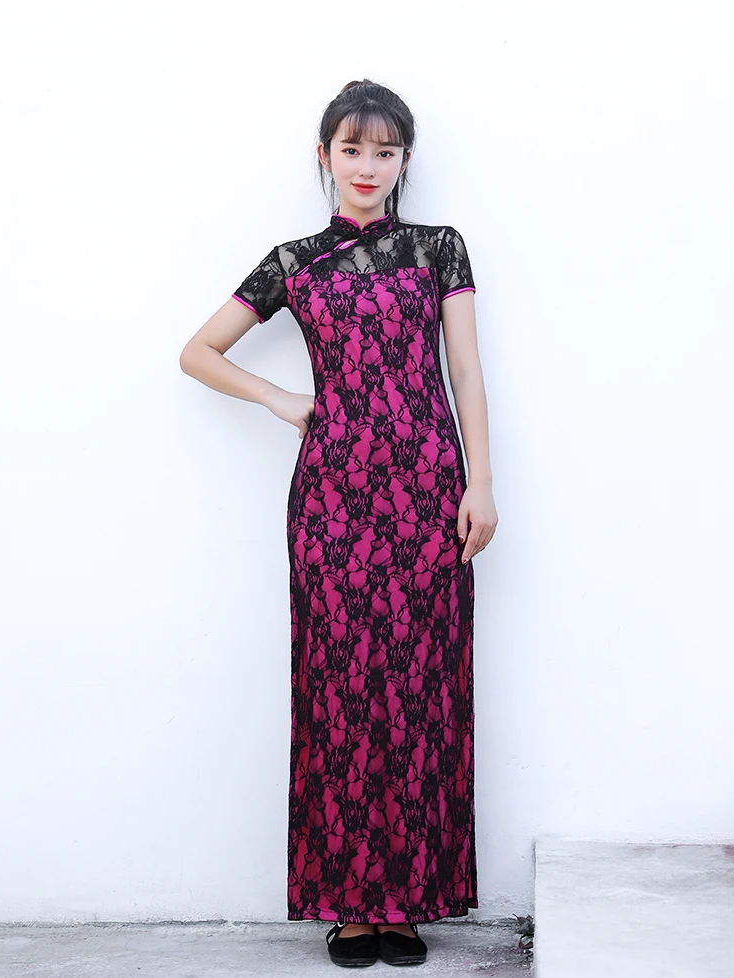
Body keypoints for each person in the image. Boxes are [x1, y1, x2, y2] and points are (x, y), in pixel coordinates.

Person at [180, 78, 498, 968]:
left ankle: (409, 902)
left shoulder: (438, 249)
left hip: (428, 492)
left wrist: (481, 483)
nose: (368, 166)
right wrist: (281, 398)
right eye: (351, 149)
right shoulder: (294, 263)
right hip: (332, 501)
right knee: (340, 693)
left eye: (384, 151)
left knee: (423, 692)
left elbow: (466, 373)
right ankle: (351, 905)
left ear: (404, 160)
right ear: (323, 156)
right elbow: (198, 352)